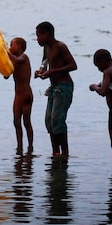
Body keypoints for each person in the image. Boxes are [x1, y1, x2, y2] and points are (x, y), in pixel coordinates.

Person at [34, 21, 77, 157]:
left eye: (38, 36)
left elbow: (73, 65)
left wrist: (52, 72)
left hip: (64, 87)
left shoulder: (60, 46)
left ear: (46, 35)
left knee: (58, 120)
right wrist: (40, 72)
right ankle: (55, 152)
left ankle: (65, 153)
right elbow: (44, 64)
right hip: (54, 87)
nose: (37, 39)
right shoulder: (46, 48)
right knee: (49, 121)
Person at [7, 36, 34, 154]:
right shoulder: (13, 61)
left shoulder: (23, 57)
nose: (10, 47)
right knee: (16, 122)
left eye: (12, 45)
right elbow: (6, 75)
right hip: (17, 95)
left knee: (26, 121)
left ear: (20, 47)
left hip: (26, 94)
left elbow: (17, 60)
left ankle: (30, 146)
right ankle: (19, 147)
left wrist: (4, 52)